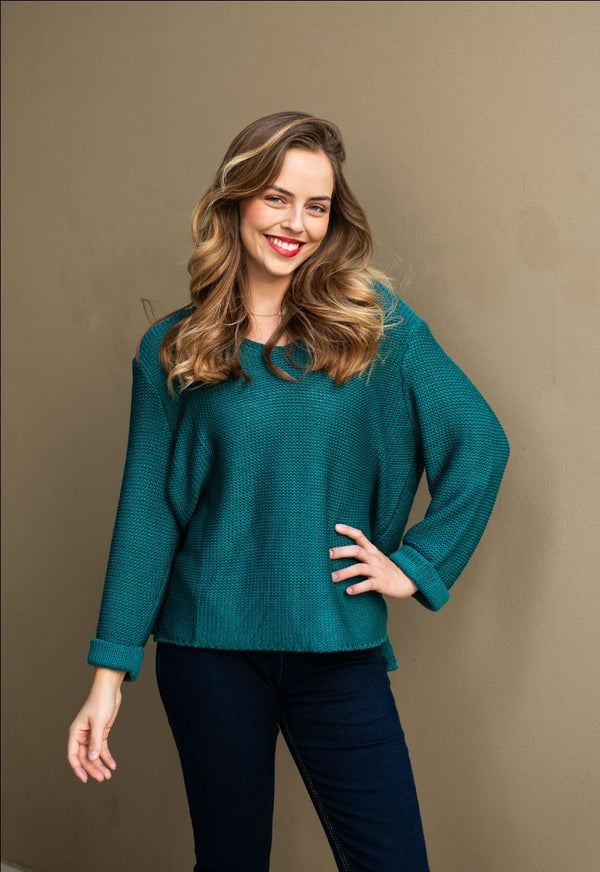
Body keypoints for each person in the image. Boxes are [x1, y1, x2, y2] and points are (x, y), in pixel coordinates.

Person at [67, 111, 510, 872]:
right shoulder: (173, 347)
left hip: (337, 646)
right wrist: (109, 674)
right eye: (276, 198)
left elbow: (481, 443)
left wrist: (417, 564)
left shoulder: (375, 327)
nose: (295, 224)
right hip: (207, 653)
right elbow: (148, 510)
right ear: (236, 199)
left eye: (316, 206)